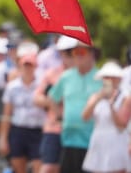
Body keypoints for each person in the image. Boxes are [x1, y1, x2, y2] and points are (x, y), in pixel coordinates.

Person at [47, 38, 101, 173]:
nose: (77, 55)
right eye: (74, 52)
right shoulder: (66, 77)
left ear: (91, 54)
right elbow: (52, 97)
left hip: (93, 140)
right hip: (69, 138)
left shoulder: (101, 77)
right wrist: (59, 117)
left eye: (81, 51)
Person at [32, 35, 76, 173]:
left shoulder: (84, 75)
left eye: (72, 51)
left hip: (77, 130)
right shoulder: (52, 73)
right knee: (49, 167)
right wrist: (54, 101)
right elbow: (37, 98)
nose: (68, 56)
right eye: (65, 52)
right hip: (54, 127)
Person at [0, 53, 45, 173]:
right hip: (18, 129)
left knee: (38, 164)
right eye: (25, 66)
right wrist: (3, 138)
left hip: (37, 129)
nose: (28, 69)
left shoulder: (42, 85)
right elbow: (7, 114)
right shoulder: (12, 87)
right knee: (18, 165)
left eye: (31, 66)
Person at [81, 61, 131, 173]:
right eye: (106, 77)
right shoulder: (96, 96)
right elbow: (85, 116)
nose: (109, 80)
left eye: (113, 77)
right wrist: (98, 98)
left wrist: (111, 104)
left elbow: (121, 124)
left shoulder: (125, 98)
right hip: (99, 140)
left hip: (116, 141)